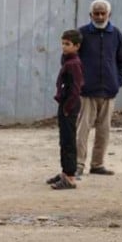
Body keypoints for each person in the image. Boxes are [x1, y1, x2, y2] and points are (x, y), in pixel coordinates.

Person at [75, 0, 122, 177]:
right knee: (82, 130)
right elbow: (70, 59)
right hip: (87, 93)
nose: (99, 16)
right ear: (90, 15)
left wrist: (117, 81)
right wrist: (78, 82)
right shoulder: (81, 34)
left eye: (102, 13)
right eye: (96, 13)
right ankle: (78, 164)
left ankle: (97, 164)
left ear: (109, 14)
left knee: (104, 131)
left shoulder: (116, 34)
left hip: (108, 91)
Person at [47, 29, 85, 190]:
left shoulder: (74, 64)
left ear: (77, 46)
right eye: (63, 43)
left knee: (69, 141)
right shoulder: (67, 60)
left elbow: (76, 88)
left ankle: (70, 177)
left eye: (68, 44)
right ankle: (65, 172)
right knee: (64, 140)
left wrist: (68, 108)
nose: (64, 47)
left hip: (69, 106)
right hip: (65, 104)